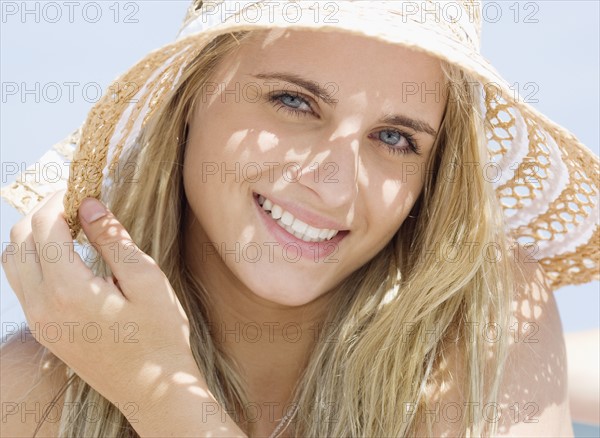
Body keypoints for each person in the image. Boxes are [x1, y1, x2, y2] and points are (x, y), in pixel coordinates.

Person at [1, 1, 598, 437]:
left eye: (394, 137)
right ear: (187, 98)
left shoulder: (481, 321)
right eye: (294, 101)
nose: (334, 183)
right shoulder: (27, 394)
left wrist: (157, 388)